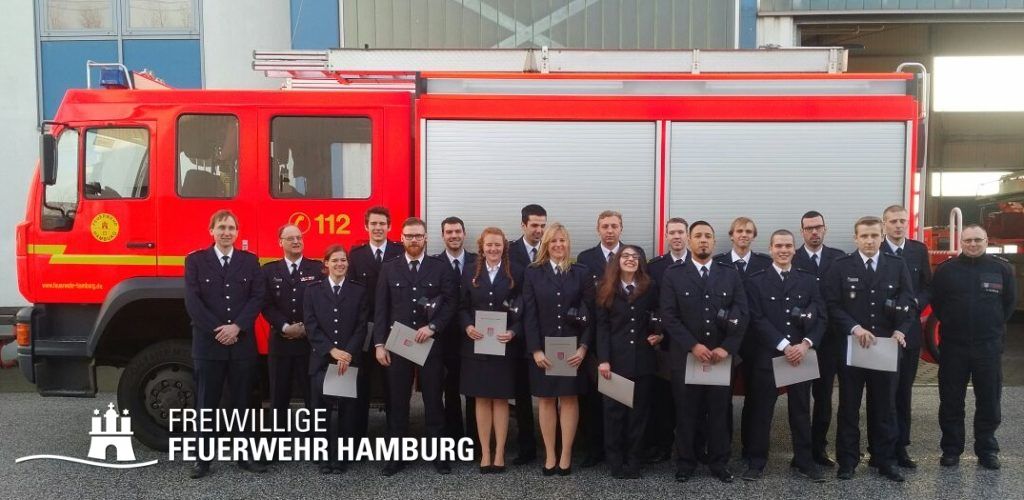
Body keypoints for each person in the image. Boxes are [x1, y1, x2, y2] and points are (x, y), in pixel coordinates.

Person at [824, 216, 914, 482]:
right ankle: (848, 462)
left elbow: (908, 301)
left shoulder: (896, 265)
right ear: (856, 238)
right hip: (853, 347)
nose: (870, 240)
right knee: (849, 407)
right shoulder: (840, 266)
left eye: (875, 235)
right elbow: (831, 305)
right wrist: (855, 328)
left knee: (885, 406)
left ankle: (884, 460)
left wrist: (902, 330)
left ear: (882, 235)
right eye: (864, 236)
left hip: (885, 347)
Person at [661, 220, 748, 483]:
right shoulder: (673, 274)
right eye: (697, 236)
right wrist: (693, 345)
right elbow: (668, 315)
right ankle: (686, 462)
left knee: (719, 412)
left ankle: (718, 462)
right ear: (688, 240)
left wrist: (727, 347)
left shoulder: (729, 273)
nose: (703, 240)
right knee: (687, 412)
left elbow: (743, 313)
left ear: (714, 241)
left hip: (721, 358)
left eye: (708, 236)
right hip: (687, 358)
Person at [184, 209, 266, 479]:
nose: (226, 232)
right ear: (211, 231)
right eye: (221, 227)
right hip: (209, 345)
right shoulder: (196, 261)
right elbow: (193, 302)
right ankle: (202, 460)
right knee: (206, 403)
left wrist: (237, 327)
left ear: (237, 232)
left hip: (241, 344)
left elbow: (257, 298)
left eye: (231, 228)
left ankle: (244, 457)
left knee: (242, 402)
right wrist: (219, 330)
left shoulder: (250, 261)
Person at [372, 217, 457, 476]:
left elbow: (450, 303)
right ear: (402, 238)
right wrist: (379, 344)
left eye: (418, 236)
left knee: (433, 399)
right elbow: (381, 308)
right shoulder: (390, 268)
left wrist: (432, 327)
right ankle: (396, 457)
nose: (414, 240)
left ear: (426, 238)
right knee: (398, 401)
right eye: (409, 236)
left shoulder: (439, 267)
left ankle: (438, 454)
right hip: (398, 344)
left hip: (430, 344)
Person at [741, 230, 826, 482]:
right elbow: (756, 318)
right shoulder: (756, 281)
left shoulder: (809, 280)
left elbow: (821, 316)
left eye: (788, 245)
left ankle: (804, 461)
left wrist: (806, 344)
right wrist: (783, 345)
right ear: (770, 249)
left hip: (802, 355)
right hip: (769, 355)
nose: (784, 250)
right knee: (761, 411)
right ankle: (756, 462)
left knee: (800, 411)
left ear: (794, 249)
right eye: (778, 245)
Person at [932, 224, 1016, 470]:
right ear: (961, 241)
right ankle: (951, 449)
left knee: (989, 400)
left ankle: (987, 449)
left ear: (986, 240)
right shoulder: (946, 270)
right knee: (951, 401)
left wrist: (991, 327)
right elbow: (937, 303)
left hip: (987, 347)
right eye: (968, 240)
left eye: (978, 240)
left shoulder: (1001, 268)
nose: (973, 244)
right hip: (953, 347)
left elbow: (1009, 304)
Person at [575, 210, 646, 468]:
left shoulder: (634, 256)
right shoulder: (586, 258)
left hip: (630, 347)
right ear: (598, 229)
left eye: (614, 226)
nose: (609, 230)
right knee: (598, 405)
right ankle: (596, 450)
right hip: (597, 343)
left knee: (631, 407)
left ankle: (628, 455)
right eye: (604, 226)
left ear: (621, 228)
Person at [523, 223, 594, 476]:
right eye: (553, 241)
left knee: (569, 400)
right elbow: (529, 315)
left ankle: (565, 455)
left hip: (573, 350)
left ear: (568, 243)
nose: (558, 245)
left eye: (562, 241)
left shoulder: (581, 273)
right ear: (546, 245)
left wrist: (584, 347)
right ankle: (550, 455)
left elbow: (590, 314)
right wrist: (535, 350)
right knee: (546, 400)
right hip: (544, 350)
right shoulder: (533, 273)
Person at [459, 227, 524, 474]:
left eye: (498, 245)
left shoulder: (516, 272)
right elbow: (461, 306)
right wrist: (467, 326)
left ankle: (500, 453)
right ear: (482, 247)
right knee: (482, 399)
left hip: (504, 345)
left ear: (504, 246)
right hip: (475, 346)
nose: (493, 249)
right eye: (489, 245)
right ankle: (485, 452)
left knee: (501, 400)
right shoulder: (469, 272)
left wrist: (514, 331)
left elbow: (523, 308)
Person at [595, 245, 660, 479]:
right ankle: (615, 461)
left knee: (638, 415)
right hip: (614, 363)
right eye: (626, 256)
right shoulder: (606, 288)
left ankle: (634, 461)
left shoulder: (650, 287)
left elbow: (660, 315)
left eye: (635, 257)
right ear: (617, 261)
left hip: (643, 362)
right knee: (614, 415)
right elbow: (601, 328)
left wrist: (659, 333)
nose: (631, 259)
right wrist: (603, 360)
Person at [304, 245, 368, 474]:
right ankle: (323, 457)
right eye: (335, 260)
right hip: (323, 360)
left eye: (343, 260)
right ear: (326, 264)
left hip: (348, 361)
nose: (340, 264)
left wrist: (347, 353)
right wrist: (332, 351)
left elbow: (361, 327)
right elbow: (311, 326)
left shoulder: (358, 291)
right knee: (321, 411)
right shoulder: (312, 291)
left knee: (347, 412)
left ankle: (341, 457)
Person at [713, 217, 771, 463]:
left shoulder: (765, 263)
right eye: (739, 231)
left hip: (757, 342)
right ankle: (721, 448)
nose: (744, 235)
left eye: (749, 231)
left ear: (754, 236)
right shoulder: (718, 263)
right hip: (725, 342)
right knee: (721, 397)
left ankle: (752, 451)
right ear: (731, 235)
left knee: (757, 397)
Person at [878, 204, 931, 468]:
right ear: (883, 224)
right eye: (893, 221)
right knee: (882, 394)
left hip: (908, 333)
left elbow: (926, 287)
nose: (899, 225)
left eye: (902, 221)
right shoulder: (877, 248)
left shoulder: (918, 250)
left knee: (903, 393)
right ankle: (879, 448)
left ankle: (901, 447)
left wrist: (913, 304)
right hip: (883, 334)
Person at [792, 210, 846, 467]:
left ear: (825, 229)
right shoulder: (793, 256)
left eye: (818, 227)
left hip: (829, 340)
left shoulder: (838, 258)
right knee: (800, 399)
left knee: (824, 397)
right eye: (809, 228)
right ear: (801, 231)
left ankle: (819, 448)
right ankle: (800, 453)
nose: (814, 232)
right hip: (800, 339)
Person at [347, 206, 403, 438]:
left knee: (394, 387)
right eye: (374, 224)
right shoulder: (356, 255)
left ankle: (394, 440)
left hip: (396, 329)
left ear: (389, 227)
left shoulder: (399, 252)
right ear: (366, 226)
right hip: (366, 328)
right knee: (361, 382)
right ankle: (357, 438)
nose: (378, 228)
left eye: (382, 224)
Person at [261, 224, 323, 428]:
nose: (296, 241)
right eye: (291, 238)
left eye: (299, 237)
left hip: (309, 344)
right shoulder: (269, 271)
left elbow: (323, 301)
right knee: (279, 396)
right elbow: (266, 305)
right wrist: (285, 326)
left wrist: (307, 326)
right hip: (281, 343)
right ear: (280, 242)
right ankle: (276, 444)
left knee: (313, 396)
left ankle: (317, 444)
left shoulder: (316, 269)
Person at [641, 217, 689, 463]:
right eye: (672, 232)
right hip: (664, 344)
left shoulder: (699, 263)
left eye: (681, 232)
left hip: (692, 344)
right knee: (663, 399)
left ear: (687, 235)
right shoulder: (656, 267)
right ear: (666, 236)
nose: (677, 236)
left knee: (690, 401)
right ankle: (662, 446)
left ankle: (689, 448)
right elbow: (650, 303)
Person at [506, 204, 546, 465]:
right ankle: (527, 447)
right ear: (523, 225)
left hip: (546, 333)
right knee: (521, 394)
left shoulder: (552, 247)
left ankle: (552, 446)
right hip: (517, 333)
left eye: (543, 225)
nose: (539, 230)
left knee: (549, 393)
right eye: (534, 225)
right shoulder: (510, 251)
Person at [434, 216, 478, 443]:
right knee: (449, 390)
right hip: (444, 337)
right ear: (442, 235)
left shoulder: (477, 261)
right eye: (449, 232)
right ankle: (454, 439)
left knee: (473, 391)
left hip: (473, 336)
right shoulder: (433, 264)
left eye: (457, 231)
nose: (454, 236)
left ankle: (473, 439)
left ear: (464, 233)